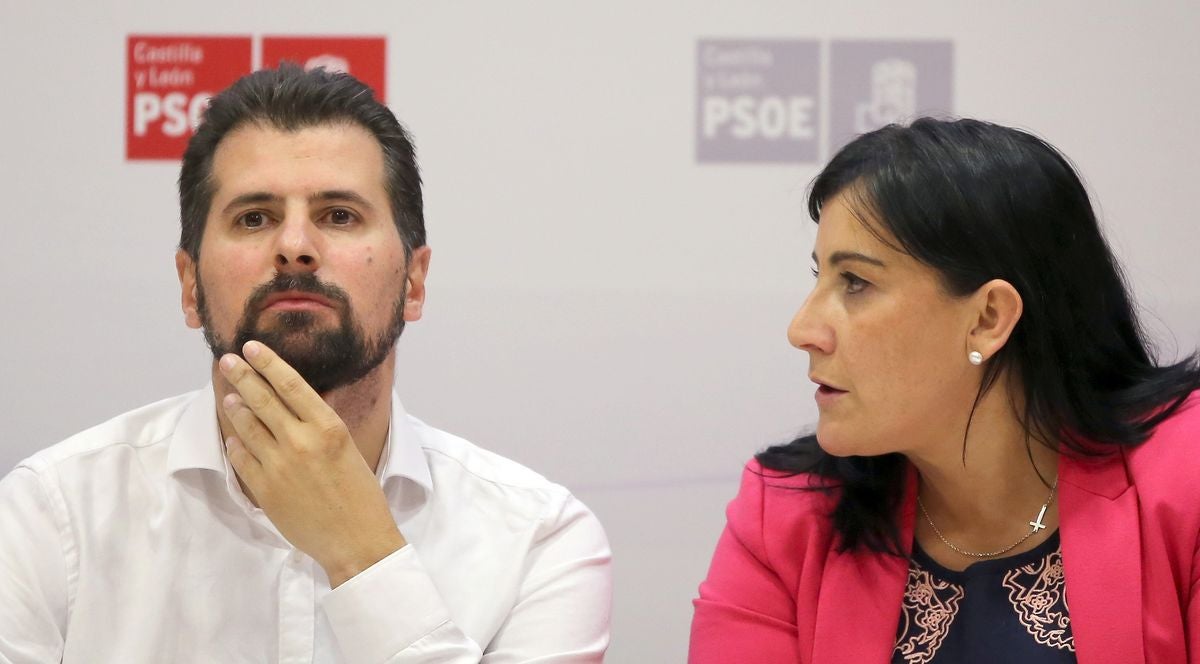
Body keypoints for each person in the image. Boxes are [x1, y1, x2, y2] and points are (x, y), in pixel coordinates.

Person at [0, 65, 611, 662]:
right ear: (190, 287)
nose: (294, 246)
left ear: (414, 282)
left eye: (339, 215)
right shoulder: (49, 516)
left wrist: (359, 551)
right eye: (255, 218)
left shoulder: (538, 541)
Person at [689, 118, 1200, 663]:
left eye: (856, 283)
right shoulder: (786, 512)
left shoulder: (1186, 476)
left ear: (987, 318)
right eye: (819, 278)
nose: (802, 330)